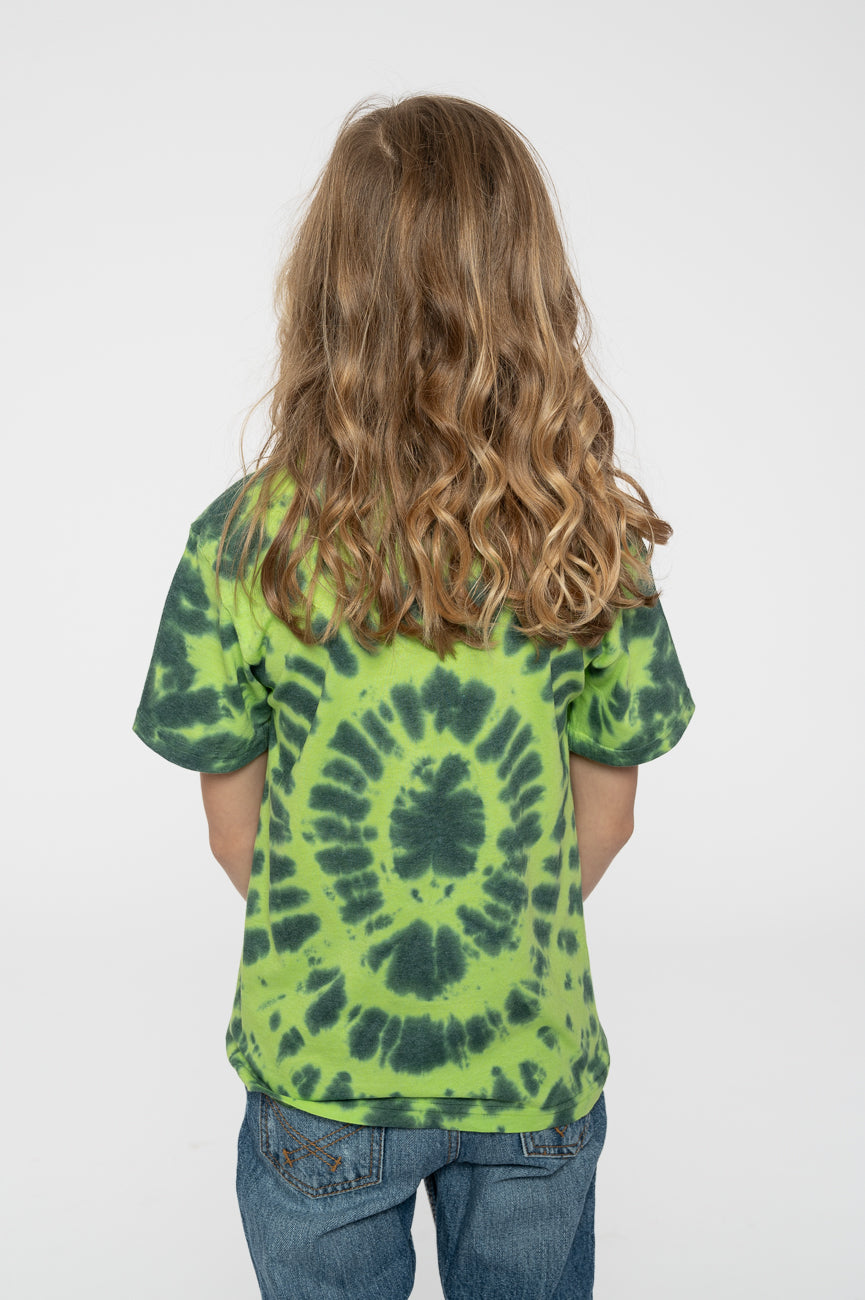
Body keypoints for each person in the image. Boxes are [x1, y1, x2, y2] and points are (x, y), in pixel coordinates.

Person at [133, 93, 695, 1300]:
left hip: (323, 1071)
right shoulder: (590, 539)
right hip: (529, 1063)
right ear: (530, 290)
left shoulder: (242, 543)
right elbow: (607, 819)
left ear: (324, 292)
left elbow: (236, 838)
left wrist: (357, 934)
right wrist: (494, 935)